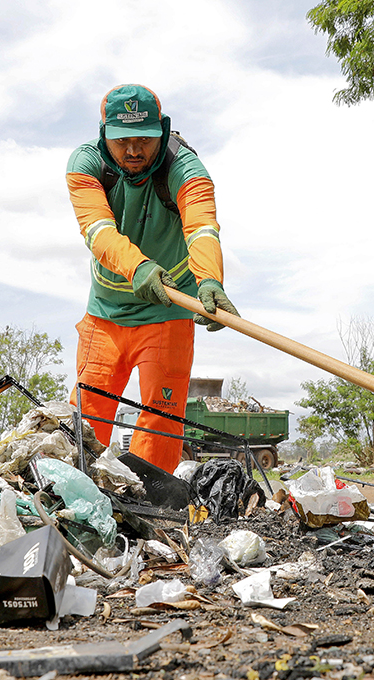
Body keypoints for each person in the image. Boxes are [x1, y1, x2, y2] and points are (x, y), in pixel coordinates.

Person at [65, 84, 238, 473]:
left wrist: (210, 280)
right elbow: (97, 231)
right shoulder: (85, 164)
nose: (133, 150)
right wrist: (138, 266)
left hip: (169, 311)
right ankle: (78, 492)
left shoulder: (186, 169)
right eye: (121, 140)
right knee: (86, 417)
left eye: (144, 139)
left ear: (162, 129)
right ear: (103, 134)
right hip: (105, 314)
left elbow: (202, 227)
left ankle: (149, 503)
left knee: (162, 418)